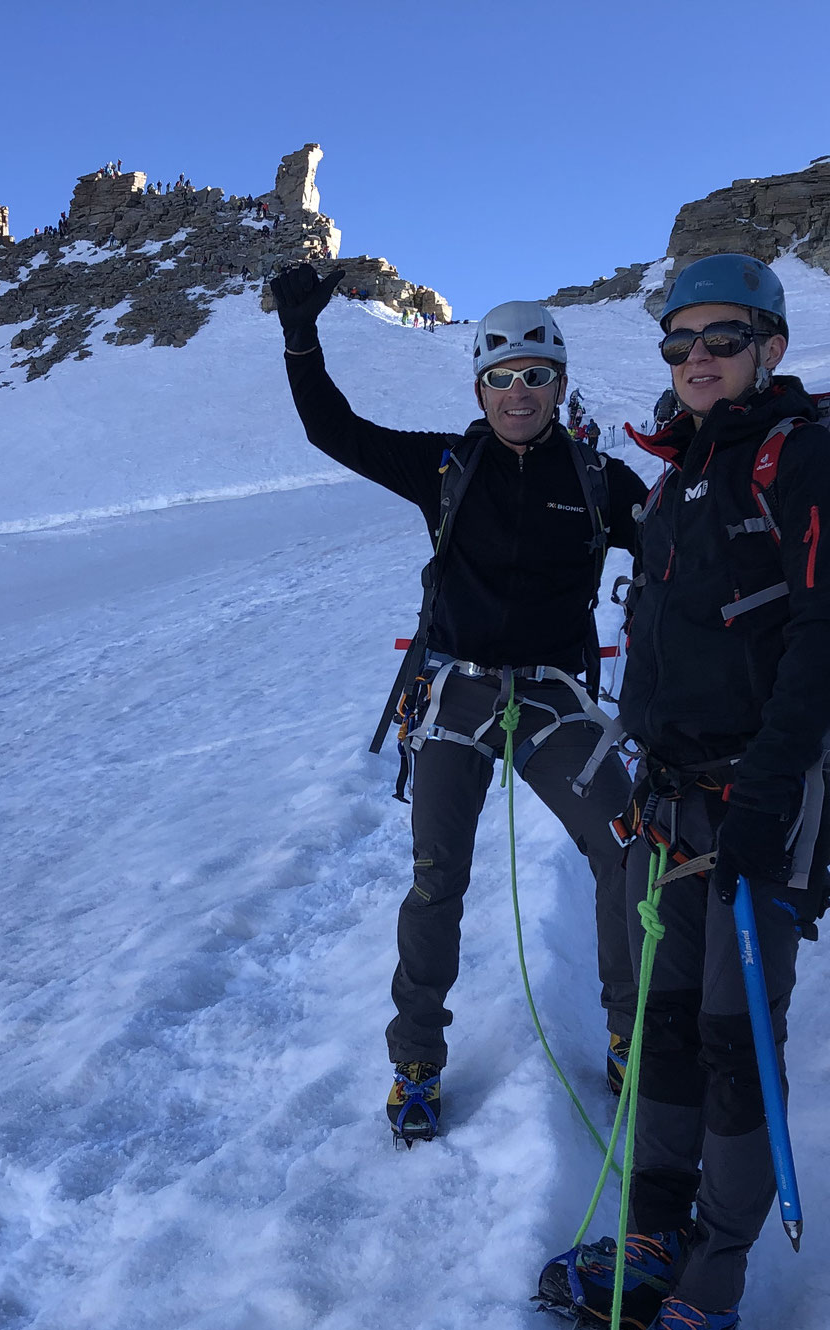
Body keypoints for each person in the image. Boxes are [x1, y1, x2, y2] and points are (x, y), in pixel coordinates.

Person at [538, 254, 830, 1330]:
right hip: (667, 801)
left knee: (735, 1047)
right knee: (668, 1032)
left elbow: (828, 643)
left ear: (771, 342)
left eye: (721, 336)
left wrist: (767, 805)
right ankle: (650, 1241)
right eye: (679, 339)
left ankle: (713, 1285)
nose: (696, 356)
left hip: (752, 808)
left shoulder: (805, 463)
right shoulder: (683, 473)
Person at [268, 263, 651, 1145]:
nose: (519, 394)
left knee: (628, 849)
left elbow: (681, 548)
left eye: (536, 376)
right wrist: (300, 337)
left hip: (554, 699)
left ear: (561, 381)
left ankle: (633, 1033)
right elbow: (335, 429)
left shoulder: (601, 481)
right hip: (455, 692)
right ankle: (415, 1062)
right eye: (501, 378)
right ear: (478, 386)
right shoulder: (445, 465)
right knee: (438, 879)